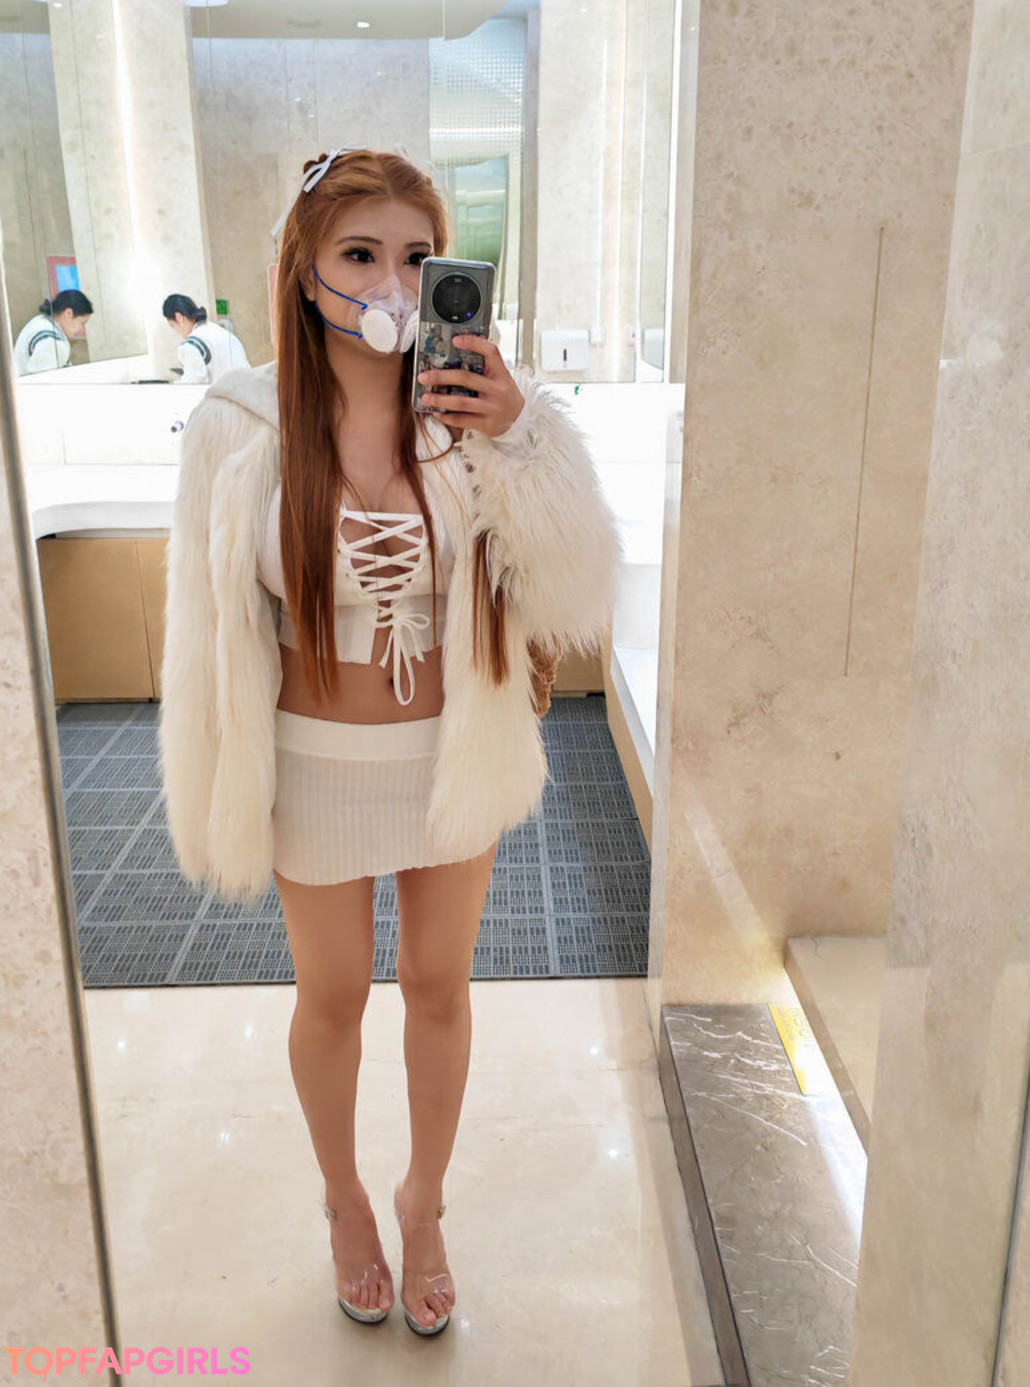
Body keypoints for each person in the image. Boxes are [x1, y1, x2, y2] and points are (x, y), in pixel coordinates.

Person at [158, 149, 621, 1337]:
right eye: (359, 253)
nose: (391, 283)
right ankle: (345, 1201)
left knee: (438, 986)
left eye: (417, 256)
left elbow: (574, 590)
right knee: (331, 995)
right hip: (309, 761)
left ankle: (425, 1202)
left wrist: (524, 437)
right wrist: (215, 780)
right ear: (304, 267)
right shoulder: (240, 421)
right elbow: (204, 630)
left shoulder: (475, 413)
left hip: (451, 754)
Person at [162, 293, 251, 383]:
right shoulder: (221, 332)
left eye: (172, 325)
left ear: (179, 317)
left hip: (227, 390)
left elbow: (194, 382)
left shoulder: (191, 344)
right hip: (249, 388)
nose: (176, 331)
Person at [14, 290, 93, 375]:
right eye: (82, 323)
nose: (82, 328)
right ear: (68, 313)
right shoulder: (50, 341)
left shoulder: (42, 322)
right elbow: (45, 381)